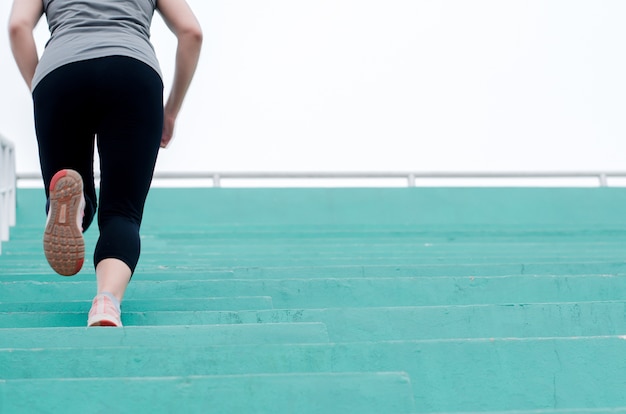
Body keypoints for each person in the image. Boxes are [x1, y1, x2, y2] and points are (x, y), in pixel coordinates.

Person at [8, 0, 202, 326]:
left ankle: (78, 206)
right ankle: (106, 302)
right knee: (123, 212)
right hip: (133, 72)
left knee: (69, 188)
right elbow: (191, 32)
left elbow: (17, 27)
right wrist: (171, 111)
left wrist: (41, 89)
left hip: (61, 72)